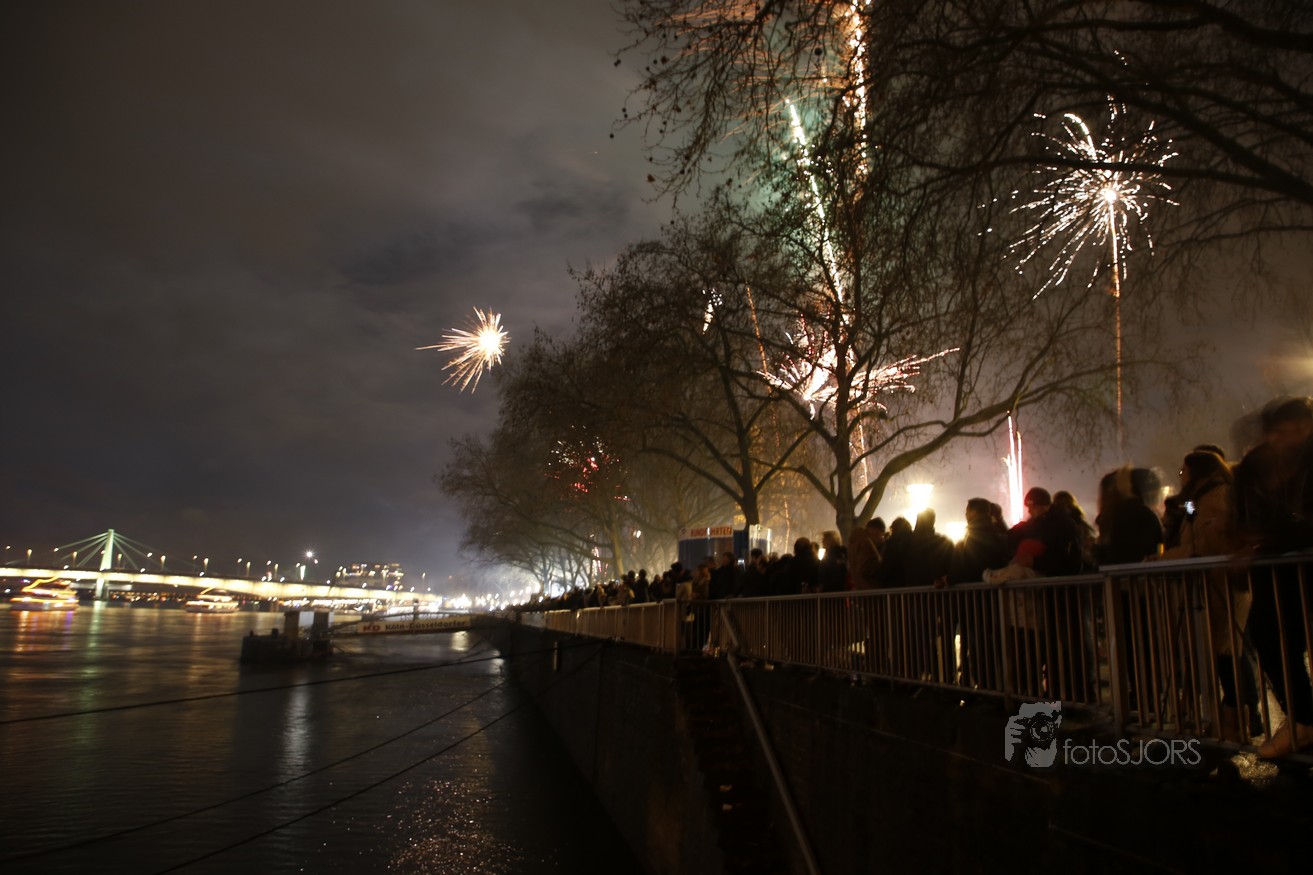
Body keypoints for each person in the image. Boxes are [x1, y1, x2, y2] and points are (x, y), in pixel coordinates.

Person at [1155, 448, 1254, 741]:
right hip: (1211, 585)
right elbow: (1189, 530)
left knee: (1229, 654)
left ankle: (1240, 720)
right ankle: (1232, 720)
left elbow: (1206, 544)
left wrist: (1165, 559)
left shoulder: (1217, 496)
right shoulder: (1197, 501)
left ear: (1198, 472)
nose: (1181, 476)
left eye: (1184, 471)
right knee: (1224, 655)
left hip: (1223, 585)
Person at [1233, 397, 1313, 757]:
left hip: (1291, 563)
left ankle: (1304, 720)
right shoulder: (1259, 465)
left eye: (1285, 431)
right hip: (1279, 571)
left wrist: (1264, 544)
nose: (1278, 439)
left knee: (1276, 637)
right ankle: (1304, 719)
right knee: (1271, 637)